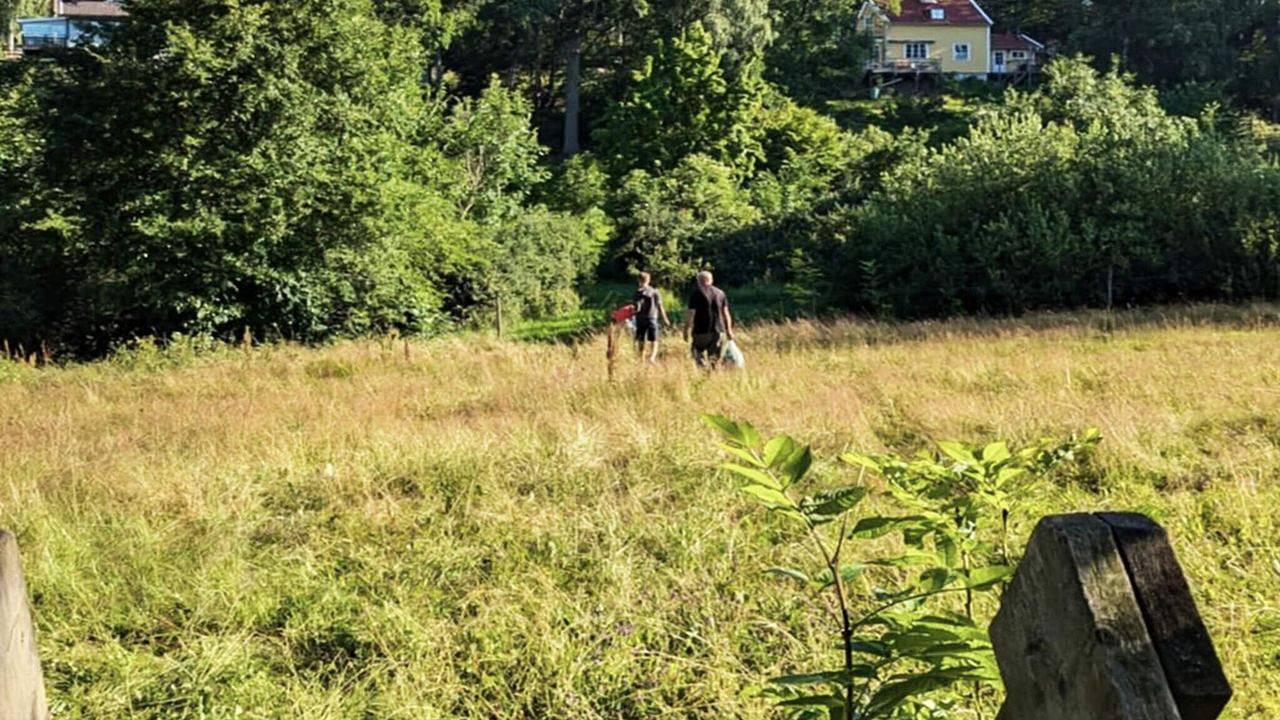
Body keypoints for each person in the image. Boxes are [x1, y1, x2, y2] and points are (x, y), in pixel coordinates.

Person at [683, 270, 734, 368]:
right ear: (711, 280)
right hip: (719, 331)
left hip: (700, 331)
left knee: (696, 352)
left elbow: (691, 313)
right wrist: (729, 330)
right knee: (714, 360)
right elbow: (726, 314)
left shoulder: (696, 293)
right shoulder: (720, 293)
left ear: (699, 281)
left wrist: (686, 330)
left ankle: (703, 373)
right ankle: (713, 376)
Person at [632, 272, 670, 364]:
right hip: (652, 317)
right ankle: (652, 357)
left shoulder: (637, 293)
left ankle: (641, 357)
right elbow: (660, 306)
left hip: (640, 318)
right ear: (648, 280)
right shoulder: (654, 291)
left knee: (641, 339)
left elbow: (634, 307)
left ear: (638, 280)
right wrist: (665, 318)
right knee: (654, 338)